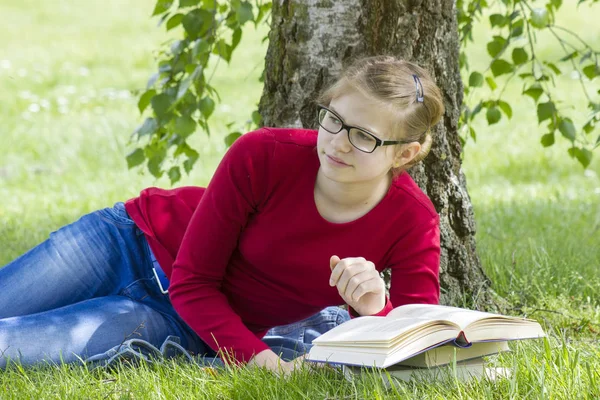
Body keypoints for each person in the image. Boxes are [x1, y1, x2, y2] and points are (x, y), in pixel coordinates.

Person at [0, 55, 445, 374]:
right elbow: (196, 278)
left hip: (184, 317)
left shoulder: (412, 220)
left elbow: (412, 341)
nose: (337, 143)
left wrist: (373, 307)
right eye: (333, 119)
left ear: (404, 153)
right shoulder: (264, 153)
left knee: (11, 347)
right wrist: (269, 365)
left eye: (364, 137)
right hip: (125, 241)